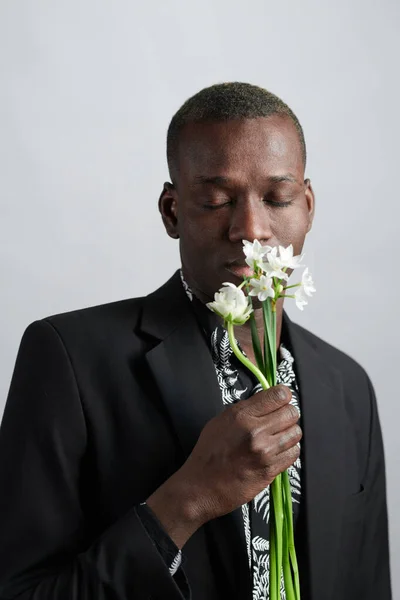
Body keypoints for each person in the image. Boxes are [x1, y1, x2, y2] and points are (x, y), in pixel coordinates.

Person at [0, 82, 391, 600]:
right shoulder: (69, 359)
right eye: (216, 200)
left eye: (278, 198)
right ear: (171, 211)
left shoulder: (348, 387)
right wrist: (189, 499)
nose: (252, 229)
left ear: (308, 206)